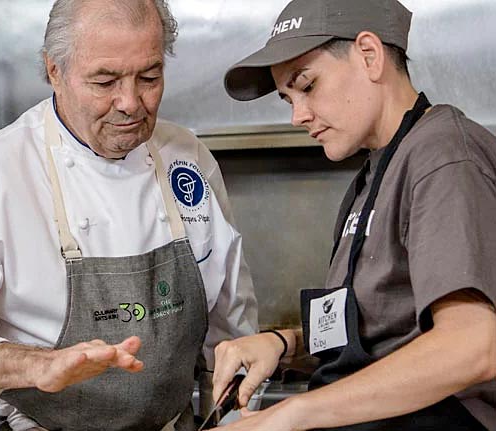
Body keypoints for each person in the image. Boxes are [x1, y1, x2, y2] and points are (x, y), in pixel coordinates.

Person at [0, 0, 258, 430]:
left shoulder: (187, 158)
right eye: (105, 81)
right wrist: (35, 366)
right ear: (54, 70)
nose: (131, 103)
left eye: (150, 77)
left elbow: (232, 327)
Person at [210, 0, 496, 430]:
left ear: (369, 55)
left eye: (306, 86)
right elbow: (379, 329)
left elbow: (473, 345)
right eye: (288, 98)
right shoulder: (374, 174)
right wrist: (283, 344)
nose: (297, 116)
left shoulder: (444, 154)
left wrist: (294, 415)